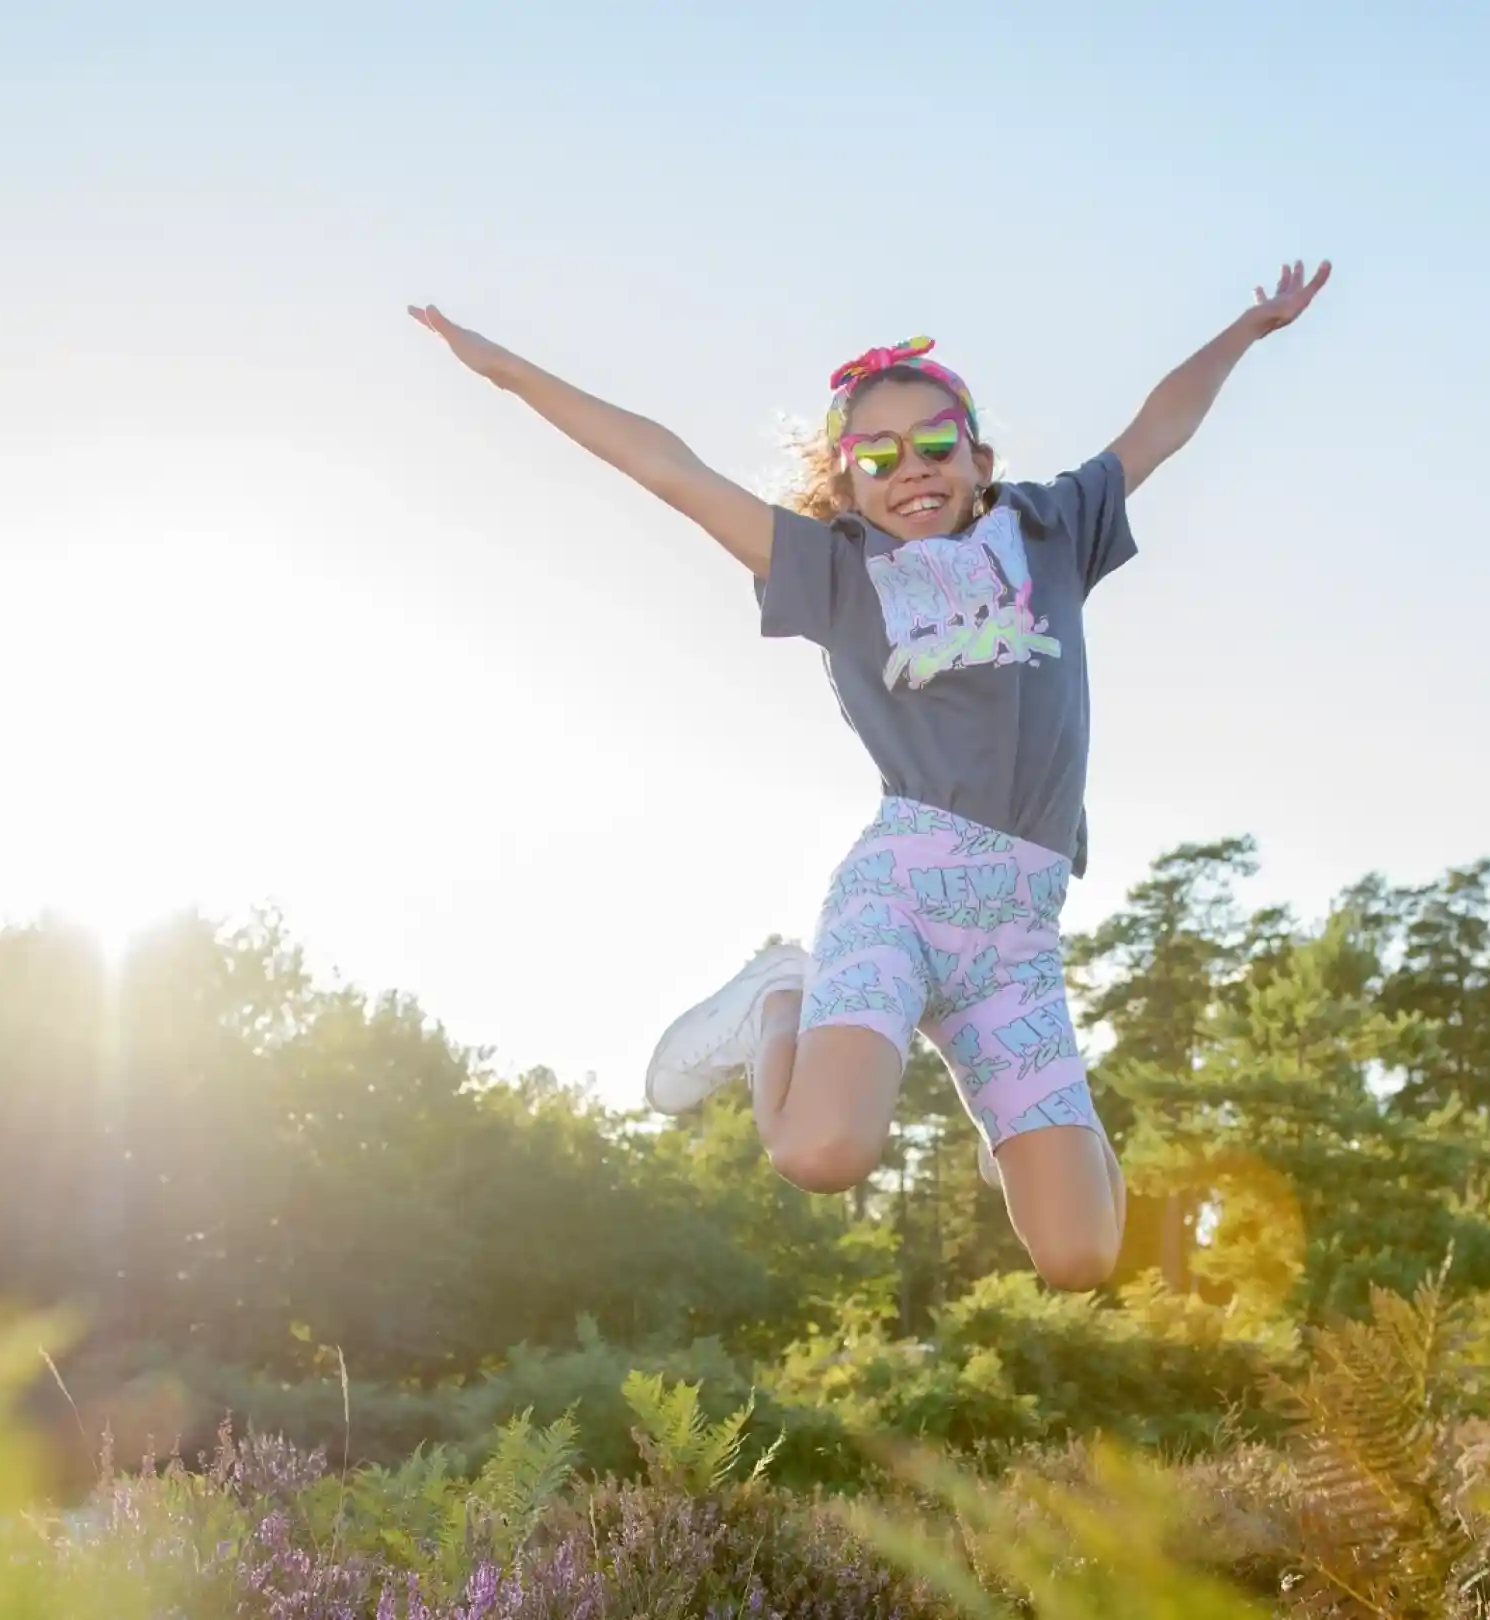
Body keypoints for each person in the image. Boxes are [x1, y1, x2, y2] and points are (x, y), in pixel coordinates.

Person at [407, 260, 1332, 1290]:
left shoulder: (1052, 529)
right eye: (877, 457)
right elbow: (670, 468)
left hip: (1018, 945)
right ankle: (776, 999)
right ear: (845, 482)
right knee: (820, 1155)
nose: (912, 469)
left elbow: (1160, 426)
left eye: (936, 444)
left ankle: (1008, 1127)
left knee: (1081, 1257)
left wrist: (1249, 329)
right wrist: (507, 373)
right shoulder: (838, 573)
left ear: (978, 458)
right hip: (901, 899)